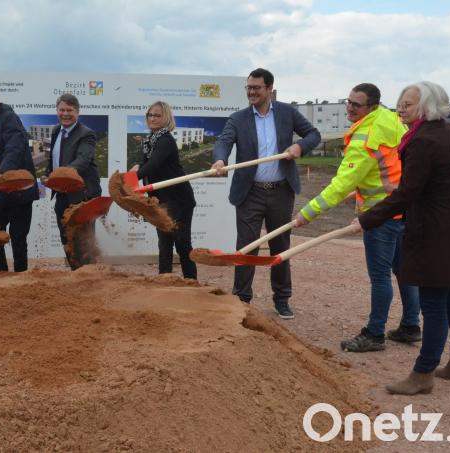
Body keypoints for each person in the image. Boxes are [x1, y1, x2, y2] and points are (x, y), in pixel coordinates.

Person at [352, 81, 450, 395]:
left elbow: (406, 194)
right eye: (401, 101)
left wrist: (367, 220)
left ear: (426, 107)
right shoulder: (448, 131)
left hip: (436, 228)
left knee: (434, 303)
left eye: (409, 103)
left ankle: (423, 373)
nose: (401, 107)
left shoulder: (424, 140)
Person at [293, 83, 420, 352]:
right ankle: (410, 326)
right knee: (403, 270)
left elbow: (340, 185)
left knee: (380, 276)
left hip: (381, 216)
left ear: (371, 106)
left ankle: (374, 334)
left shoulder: (366, 136)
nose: (349, 108)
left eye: (356, 105)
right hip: (402, 207)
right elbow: (387, 165)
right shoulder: (388, 117)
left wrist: (307, 214)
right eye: (348, 102)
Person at [211, 68, 320, 319]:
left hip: (281, 192)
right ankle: (241, 299)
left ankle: (282, 299)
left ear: (269, 89)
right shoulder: (238, 119)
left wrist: (299, 146)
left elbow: (314, 134)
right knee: (247, 247)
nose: (251, 92)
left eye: (256, 88)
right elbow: (224, 142)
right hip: (250, 193)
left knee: (280, 246)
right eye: (248, 88)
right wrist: (219, 160)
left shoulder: (287, 113)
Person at [130, 101, 197, 279]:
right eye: (150, 115)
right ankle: (164, 282)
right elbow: (145, 165)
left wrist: (128, 181)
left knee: (182, 244)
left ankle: (192, 284)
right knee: (164, 243)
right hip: (161, 200)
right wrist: (136, 168)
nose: (152, 118)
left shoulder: (165, 140)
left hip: (179, 200)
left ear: (165, 117)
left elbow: (153, 166)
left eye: (157, 115)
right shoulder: (151, 141)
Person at [0, 89, 39, 272]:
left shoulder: (9, 118)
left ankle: (20, 276)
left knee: (18, 237)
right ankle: (0, 274)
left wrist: (2, 174)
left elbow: (15, 147)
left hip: (19, 189)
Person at [41, 93, 101, 269]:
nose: (65, 114)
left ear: (77, 112)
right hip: (61, 193)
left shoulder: (86, 134)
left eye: (69, 110)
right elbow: (53, 160)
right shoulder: (55, 131)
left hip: (82, 194)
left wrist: (60, 175)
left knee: (84, 237)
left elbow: (83, 160)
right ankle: (76, 272)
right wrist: (48, 175)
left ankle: (89, 274)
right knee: (66, 236)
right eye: (62, 110)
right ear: (57, 111)